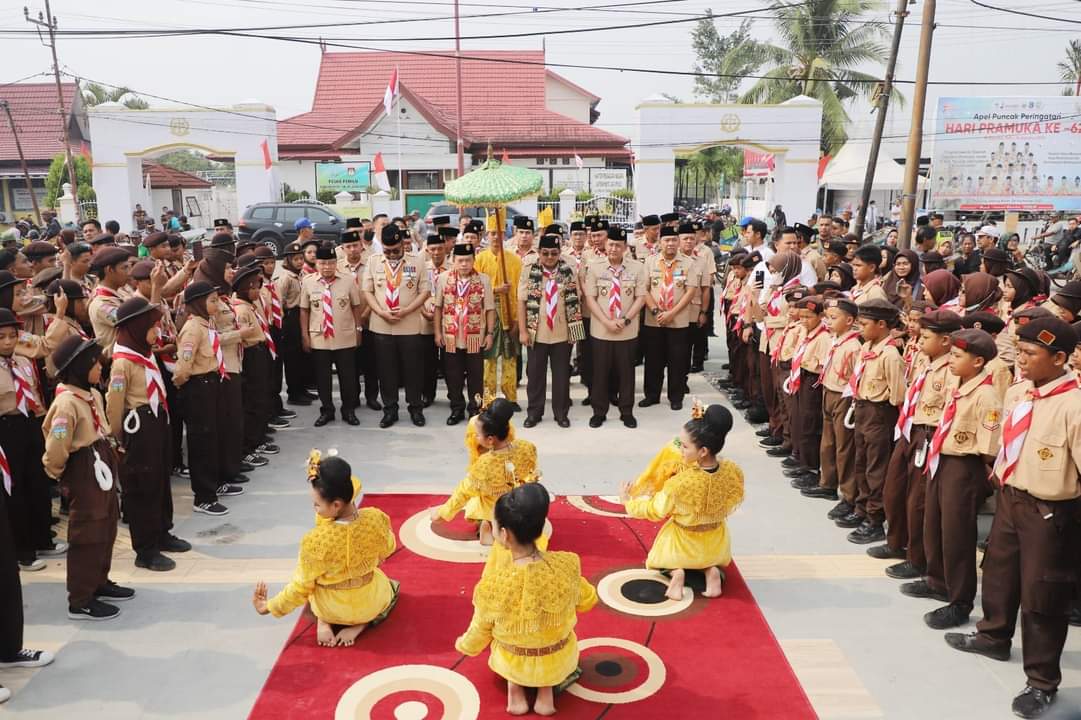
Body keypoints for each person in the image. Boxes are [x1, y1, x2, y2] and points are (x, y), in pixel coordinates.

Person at [944, 317, 1081, 719]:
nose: (1020, 361)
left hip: (1050, 511)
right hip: (1011, 496)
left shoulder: (1074, 405)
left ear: (1059, 358)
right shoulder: (1020, 390)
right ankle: (993, 635)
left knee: (1042, 596)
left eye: (1030, 354)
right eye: (1018, 351)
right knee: (1000, 573)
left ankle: (1041, 681)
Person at [455, 483, 597, 716]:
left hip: (514, 658)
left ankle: (515, 687)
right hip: (557, 657)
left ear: (503, 534)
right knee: (548, 640)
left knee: (505, 640)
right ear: (539, 528)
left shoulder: (493, 584)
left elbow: (480, 630)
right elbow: (587, 600)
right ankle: (545, 692)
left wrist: (465, 645)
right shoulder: (567, 565)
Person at [904, 329, 1000, 631]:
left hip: (964, 465)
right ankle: (937, 580)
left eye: (958, 357)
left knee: (957, 535)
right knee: (934, 524)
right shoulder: (960, 384)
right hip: (942, 459)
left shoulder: (986, 395)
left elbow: (988, 448)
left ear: (978, 361)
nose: (953, 361)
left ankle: (960, 600)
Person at [253, 452, 398, 648]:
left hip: (332, 608)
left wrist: (268, 607)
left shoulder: (315, 541)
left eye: (316, 504)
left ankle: (323, 621)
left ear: (336, 504)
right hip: (369, 604)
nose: (314, 508)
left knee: (312, 584)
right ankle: (362, 623)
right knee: (384, 581)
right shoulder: (375, 518)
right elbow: (389, 547)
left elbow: (300, 588)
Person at [42, 336, 133, 620]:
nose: (100, 368)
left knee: (107, 524)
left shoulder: (92, 394)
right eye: (94, 364)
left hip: (100, 458)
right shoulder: (67, 403)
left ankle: (99, 581)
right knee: (87, 532)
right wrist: (59, 474)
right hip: (83, 466)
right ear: (80, 367)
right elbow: (57, 446)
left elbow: (102, 426)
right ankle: (80, 599)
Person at [622, 403, 745, 601]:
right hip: (716, 545)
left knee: (656, 560)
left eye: (685, 446)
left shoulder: (681, 483)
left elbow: (655, 510)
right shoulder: (733, 471)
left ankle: (676, 573)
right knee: (712, 560)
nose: (680, 450)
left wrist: (629, 502)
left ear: (703, 451)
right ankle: (710, 571)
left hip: (682, 545)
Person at [105, 297, 190, 572]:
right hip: (138, 427)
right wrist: (119, 439)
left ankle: (163, 531)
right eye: (152, 327)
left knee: (160, 481)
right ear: (137, 328)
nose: (157, 333)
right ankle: (145, 549)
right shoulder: (123, 362)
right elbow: (115, 405)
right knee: (143, 488)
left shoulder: (143, 352)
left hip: (157, 421)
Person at [876, 309, 960, 579]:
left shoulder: (951, 370)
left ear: (946, 340)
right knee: (895, 489)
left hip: (928, 433)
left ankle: (918, 557)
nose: (920, 341)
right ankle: (897, 541)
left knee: (918, 500)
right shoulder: (927, 359)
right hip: (910, 427)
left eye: (926, 336)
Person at [172, 281, 244, 516]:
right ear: (197, 303)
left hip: (212, 383)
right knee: (202, 442)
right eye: (212, 300)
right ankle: (203, 496)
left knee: (215, 437)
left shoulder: (207, 324)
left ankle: (215, 483)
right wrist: (186, 388)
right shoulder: (193, 329)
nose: (216, 303)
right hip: (198, 387)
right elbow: (183, 368)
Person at [0, 308, 62, 574]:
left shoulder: (22, 361)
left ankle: (42, 538)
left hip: (30, 424)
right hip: (6, 429)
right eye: (1, 337)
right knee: (16, 490)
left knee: (38, 482)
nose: (8, 342)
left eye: (12, 335)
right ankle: (22, 551)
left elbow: (34, 392)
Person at [841, 299, 905, 543]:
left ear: (881, 325)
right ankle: (862, 508)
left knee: (876, 468)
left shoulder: (890, 355)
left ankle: (875, 518)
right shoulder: (867, 346)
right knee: (861, 462)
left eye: (864, 323)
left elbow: (898, 395)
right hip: (863, 409)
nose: (860, 327)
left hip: (880, 414)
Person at [434, 397, 538, 545]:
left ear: (490, 439)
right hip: (520, 504)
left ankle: (489, 522)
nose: (475, 437)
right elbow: (531, 476)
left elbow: (463, 492)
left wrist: (442, 514)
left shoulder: (484, 464)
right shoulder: (528, 447)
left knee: (475, 496)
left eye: (477, 434)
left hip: (497, 507)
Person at [361, 225, 429, 428]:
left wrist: (407, 311)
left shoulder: (417, 262)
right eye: (387, 250)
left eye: (396, 250)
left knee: (413, 370)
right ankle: (390, 410)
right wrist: (379, 312)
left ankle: (415, 408)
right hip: (382, 326)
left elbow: (424, 291)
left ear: (403, 245)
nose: (391, 255)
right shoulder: (374, 261)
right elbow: (368, 291)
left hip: (408, 325)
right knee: (386, 370)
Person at [518, 234, 585, 428]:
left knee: (561, 376)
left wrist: (574, 332)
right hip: (536, 331)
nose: (549, 257)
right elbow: (521, 301)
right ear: (538, 253)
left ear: (559, 253)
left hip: (562, 332)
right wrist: (523, 331)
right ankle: (534, 413)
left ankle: (561, 413)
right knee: (536, 376)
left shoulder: (568, 270)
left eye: (554, 253)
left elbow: (575, 302)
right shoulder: (529, 270)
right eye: (545, 253)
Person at [585, 226, 647, 429]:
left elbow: (641, 298)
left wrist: (626, 320)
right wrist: (606, 321)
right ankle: (599, 412)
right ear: (605, 244)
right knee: (600, 373)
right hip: (601, 330)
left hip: (626, 331)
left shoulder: (637, 268)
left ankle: (626, 411)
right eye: (610, 244)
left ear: (625, 247)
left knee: (627, 373)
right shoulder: (594, 267)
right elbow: (590, 298)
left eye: (618, 245)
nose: (613, 249)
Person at [302, 242, 364, 427]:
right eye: (322, 263)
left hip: (344, 336)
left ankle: (348, 410)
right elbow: (304, 310)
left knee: (348, 377)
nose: (327, 267)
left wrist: (358, 330)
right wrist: (305, 336)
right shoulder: (308, 281)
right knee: (322, 378)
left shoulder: (347, 280)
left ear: (336, 263)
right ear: (316, 264)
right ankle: (327, 410)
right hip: (319, 338)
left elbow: (356, 307)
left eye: (330, 263)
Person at [434, 243, 496, 425]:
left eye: (468, 260)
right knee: (453, 375)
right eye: (460, 260)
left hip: (475, 336)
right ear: (453, 261)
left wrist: (490, 333)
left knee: (476, 376)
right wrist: (437, 333)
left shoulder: (483, 280)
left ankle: (475, 410)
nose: (464, 264)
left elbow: (490, 309)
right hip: (451, 336)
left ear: (473, 261)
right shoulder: (444, 278)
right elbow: (438, 307)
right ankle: (456, 408)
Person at [640, 226, 701, 410]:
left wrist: (671, 313)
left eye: (674, 240)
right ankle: (652, 395)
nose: (671, 244)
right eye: (667, 240)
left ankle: (676, 397)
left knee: (678, 361)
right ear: (660, 242)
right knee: (653, 360)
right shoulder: (650, 262)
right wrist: (656, 311)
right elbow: (644, 289)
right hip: (654, 320)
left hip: (678, 321)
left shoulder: (688, 263)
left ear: (678, 242)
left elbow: (690, 291)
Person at [476, 219, 525, 408]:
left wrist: (517, 320)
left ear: (505, 234)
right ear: (487, 235)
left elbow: (520, 291)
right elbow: (475, 288)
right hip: (489, 315)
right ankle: (487, 399)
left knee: (510, 357)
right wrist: (496, 290)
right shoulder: (480, 259)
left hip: (510, 313)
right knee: (488, 360)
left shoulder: (514, 260)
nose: (496, 237)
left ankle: (510, 397)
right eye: (492, 233)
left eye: (499, 233)